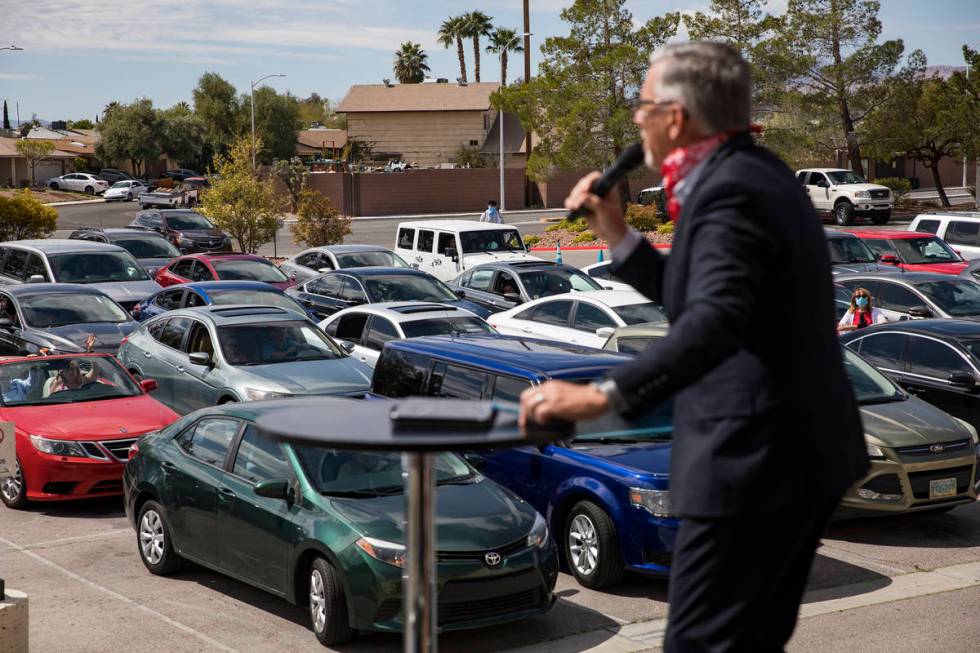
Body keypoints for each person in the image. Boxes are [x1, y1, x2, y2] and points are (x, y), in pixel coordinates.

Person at [519, 42, 868, 652]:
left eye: (643, 104)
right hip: (793, 460)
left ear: (676, 118)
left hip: (753, 467)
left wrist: (598, 397)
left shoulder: (730, 193)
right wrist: (619, 237)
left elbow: (711, 326)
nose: (636, 119)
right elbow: (704, 301)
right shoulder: (752, 176)